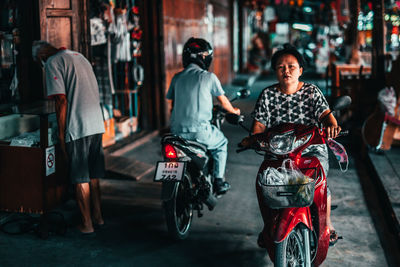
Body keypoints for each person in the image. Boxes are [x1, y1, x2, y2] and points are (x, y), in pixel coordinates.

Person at [241, 43, 341, 246]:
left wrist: (331, 127)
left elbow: (327, 117)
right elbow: (258, 127)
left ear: (300, 70)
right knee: (264, 183)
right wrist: (254, 140)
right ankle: (269, 224)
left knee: (320, 184)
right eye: (281, 67)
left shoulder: (312, 92)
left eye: (291, 66)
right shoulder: (268, 95)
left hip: (311, 149)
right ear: (275, 71)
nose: (286, 71)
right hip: (277, 152)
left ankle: (327, 223)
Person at [32, 41, 106, 234]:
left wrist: (62, 131)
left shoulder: (52, 63)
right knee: (94, 174)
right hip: (96, 122)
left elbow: (61, 99)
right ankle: (98, 217)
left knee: (80, 177)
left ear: (41, 56)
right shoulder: (79, 56)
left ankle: (86, 224)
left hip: (79, 125)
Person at [166, 37, 240, 195]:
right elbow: (224, 101)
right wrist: (234, 112)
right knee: (221, 144)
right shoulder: (209, 77)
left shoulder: (177, 77)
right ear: (205, 58)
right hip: (200, 133)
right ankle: (219, 181)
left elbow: (173, 105)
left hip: (176, 133)